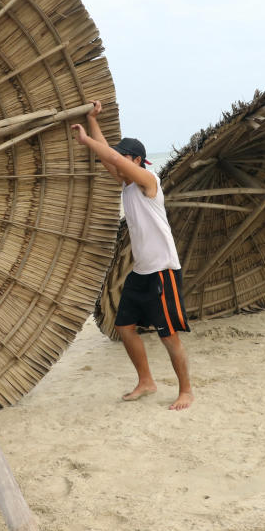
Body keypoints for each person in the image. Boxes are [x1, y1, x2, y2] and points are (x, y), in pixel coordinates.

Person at [72, 101, 195, 411]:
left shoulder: (148, 182)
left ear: (138, 161)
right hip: (141, 272)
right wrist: (92, 122)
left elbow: (110, 156)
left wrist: (87, 140)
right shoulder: (126, 185)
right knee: (125, 327)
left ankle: (186, 391)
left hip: (163, 270)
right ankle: (146, 381)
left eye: (125, 158)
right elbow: (109, 155)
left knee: (169, 337)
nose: (118, 163)